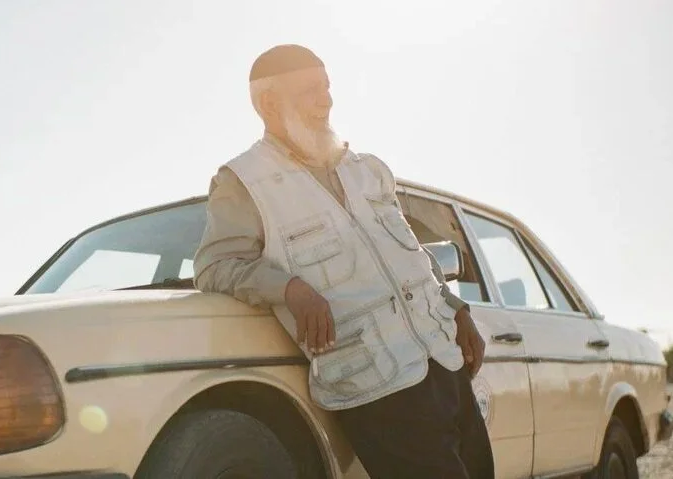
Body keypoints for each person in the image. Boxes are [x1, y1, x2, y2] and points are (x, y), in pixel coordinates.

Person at [193, 44, 494, 479]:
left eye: (328, 87)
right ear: (269, 104)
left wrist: (455, 308)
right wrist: (289, 289)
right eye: (311, 90)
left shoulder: (367, 169)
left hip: (444, 361)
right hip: (380, 386)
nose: (327, 100)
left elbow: (409, 252)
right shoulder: (243, 181)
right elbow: (214, 265)